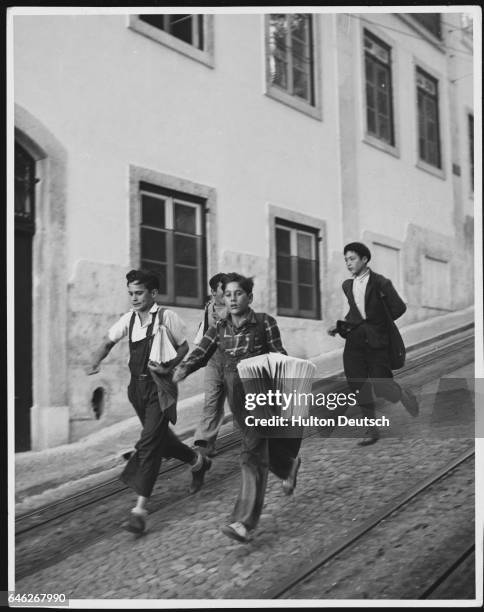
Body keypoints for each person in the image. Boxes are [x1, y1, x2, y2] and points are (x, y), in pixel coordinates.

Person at [173, 272, 302, 544]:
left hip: (261, 394)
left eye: (238, 294)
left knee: (250, 454)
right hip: (238, 399)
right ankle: (287, 466)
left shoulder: (265, 323)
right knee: (256, 446)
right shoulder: (219, 328)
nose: (232, 299)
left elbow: (279, 354)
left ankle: (244, 522)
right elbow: (202, 352)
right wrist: (184, 368)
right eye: (228, 295)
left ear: (250, 297)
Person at [87, 269, 211, 535]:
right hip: (137, 390)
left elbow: (184, 349)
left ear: (153, 293)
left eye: (139, 293)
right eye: (131, 293)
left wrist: (170, 368)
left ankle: (139, 511)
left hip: (160, 388)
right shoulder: (128, 320)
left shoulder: (168, 317)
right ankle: (198, 462)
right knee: (161, 439)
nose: (134, 298)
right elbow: (107, 342)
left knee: (150, 443)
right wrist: (95, 360)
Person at [328, 242, 419, 446]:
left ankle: (403, 394)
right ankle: (372, 429)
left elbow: (398, 308)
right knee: (358, 385)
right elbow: (354, 312)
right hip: (354, 343)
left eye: (352, 259)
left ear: (364, 259)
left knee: (382, 385)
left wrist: (378, 324)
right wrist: (339, 327)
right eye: (346, 260)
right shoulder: (348, 285)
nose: (348, 263)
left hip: (377, 343)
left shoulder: (380, 283)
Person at [192, 273, 228, 457]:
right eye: (224, 289)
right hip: (214, 361)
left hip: (234, 363)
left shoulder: (237, 307)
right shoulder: (209, 307)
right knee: (211, 402)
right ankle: (205, 445)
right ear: (213, 292)